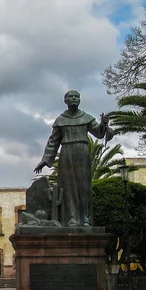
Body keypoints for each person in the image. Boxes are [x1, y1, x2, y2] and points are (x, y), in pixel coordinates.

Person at [34, 90, 113, 226]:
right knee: (68, 187)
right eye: (71, 96)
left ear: (80, 100)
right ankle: (71, 218)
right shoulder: (60, 120)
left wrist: (103, 125)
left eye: (76, 96)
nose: (74, 98)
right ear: (65, 101)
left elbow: (98, 133)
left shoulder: (87, 117)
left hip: (83, 152)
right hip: (67, 153)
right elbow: (53, 141)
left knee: (84, 186)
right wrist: (45, 160)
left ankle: (85, 218)